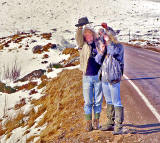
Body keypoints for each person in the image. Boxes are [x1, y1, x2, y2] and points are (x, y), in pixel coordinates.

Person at [75, 17, 103, 132]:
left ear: (93, 35)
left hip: (98, 77)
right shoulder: (83, 45)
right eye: (85, 35)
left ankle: (96, 121)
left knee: (98, 100)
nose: (88, 36)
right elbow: (78, 38)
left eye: (89, 34)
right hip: (86, 77)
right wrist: (80, 27)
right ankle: (88, 123)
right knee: (88, 101)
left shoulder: (98, 43)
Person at [96, 23, 124, 135]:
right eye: (104, 36)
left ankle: (119, 125)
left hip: (114, 77)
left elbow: (113, 52)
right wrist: (101, 51)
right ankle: (110, 121)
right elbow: (98, 60)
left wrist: (108, 41)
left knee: (116, 101)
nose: (104, 38)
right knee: (109, 101)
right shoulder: (103, 45)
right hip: (104, 77)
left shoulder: (118, 47)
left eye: (107, 36)